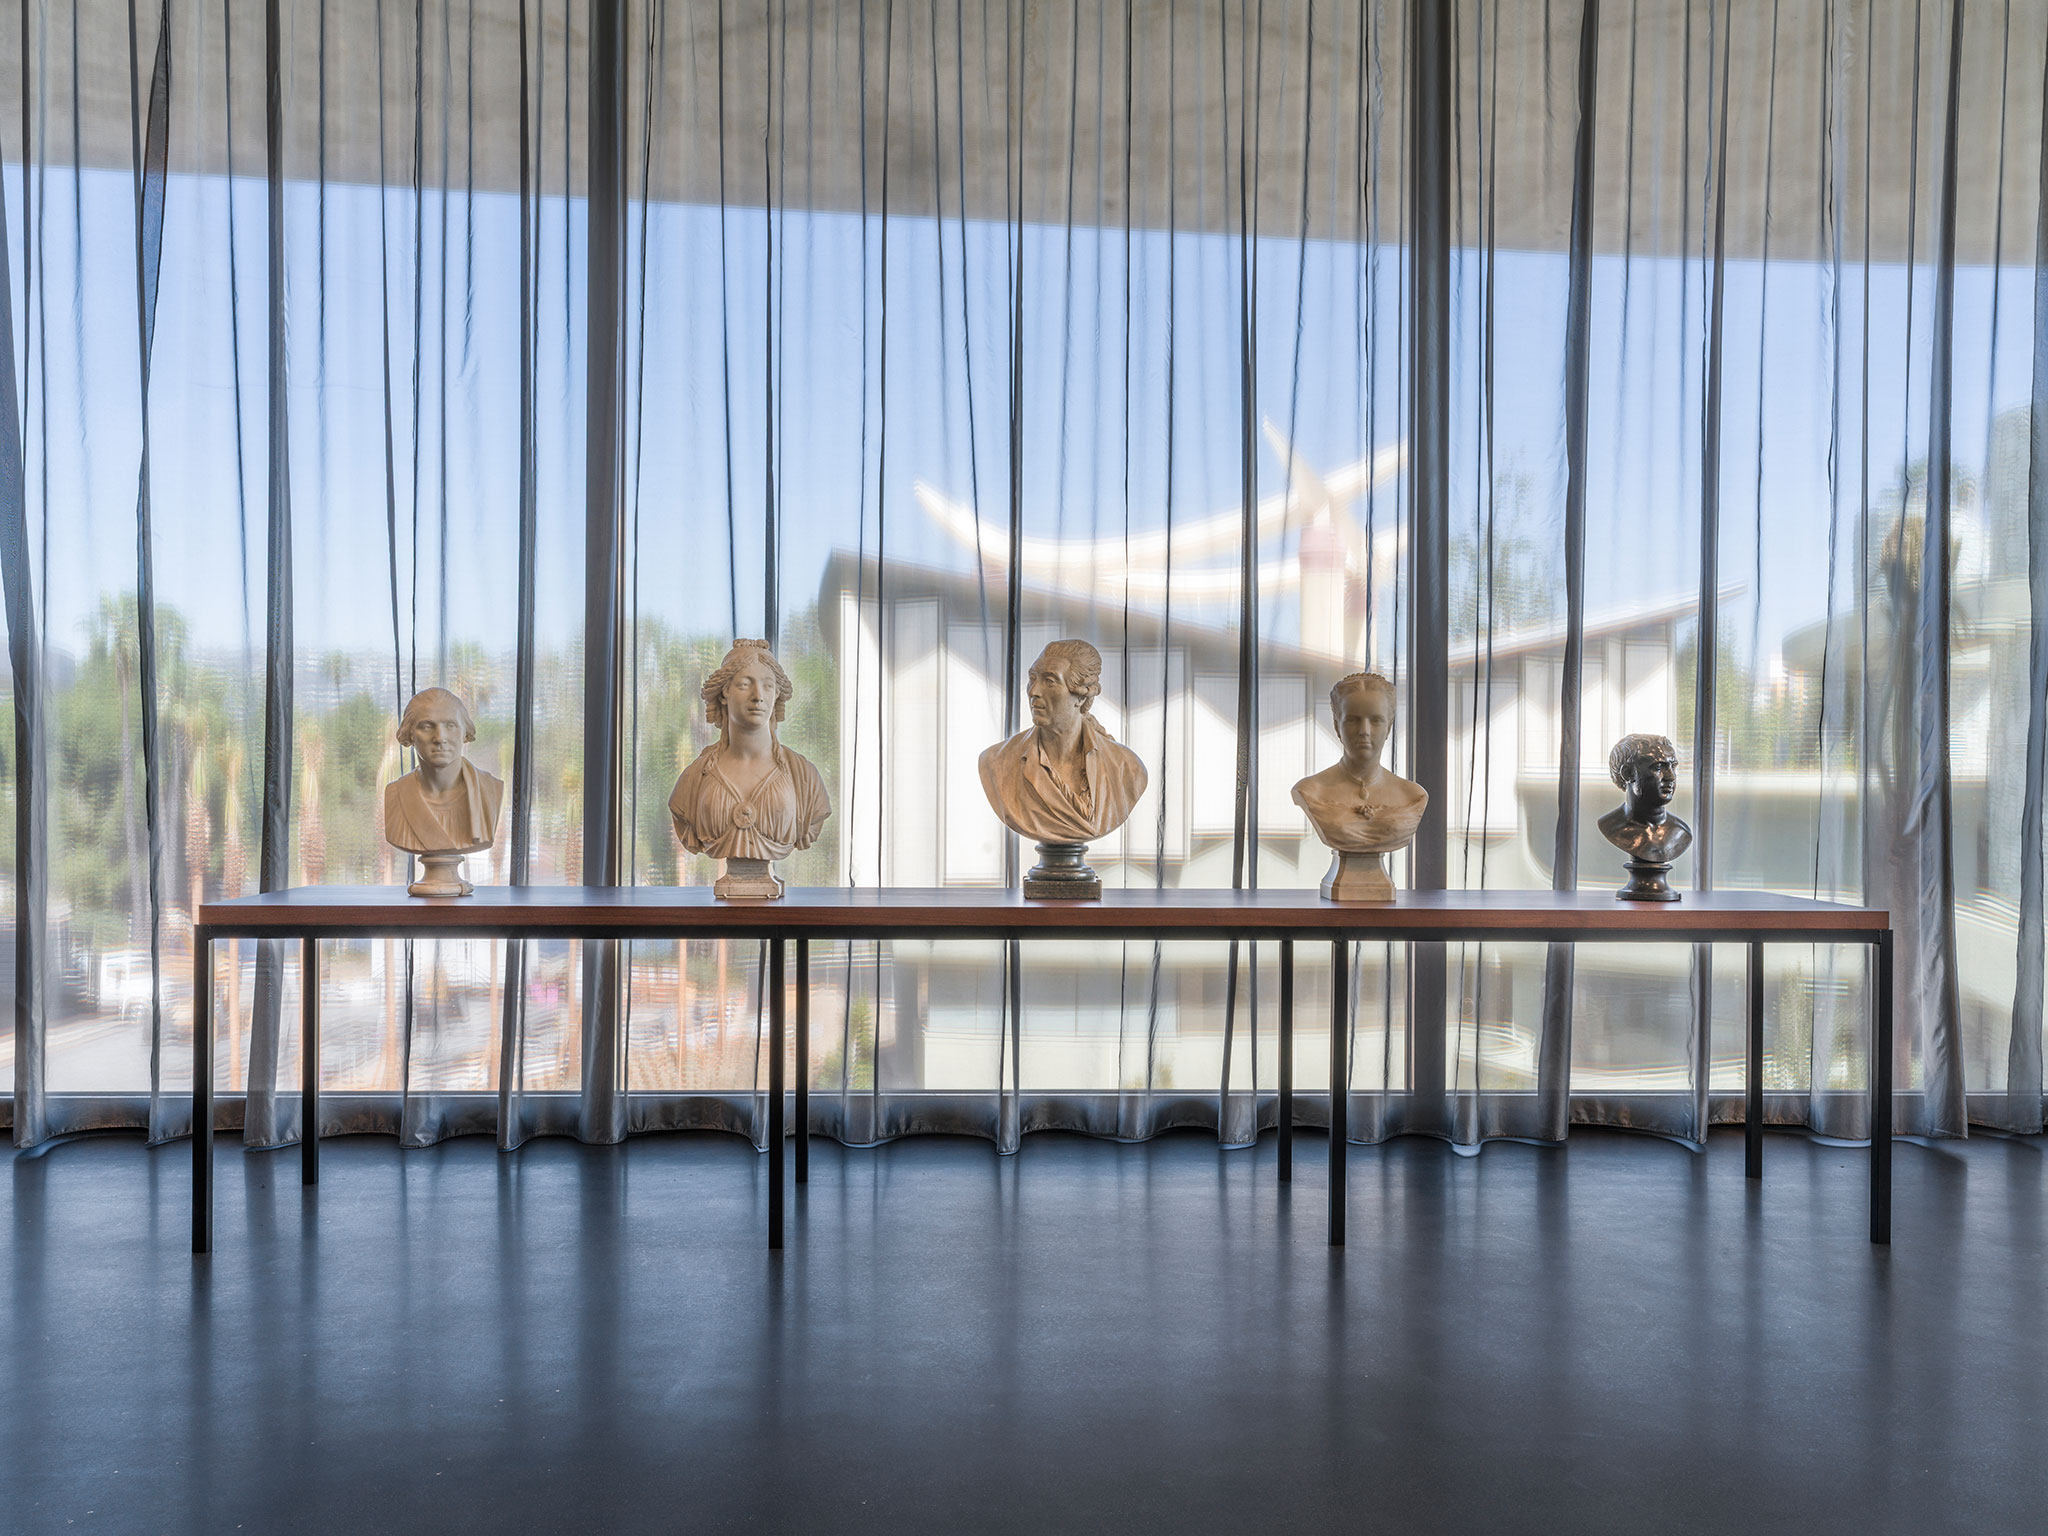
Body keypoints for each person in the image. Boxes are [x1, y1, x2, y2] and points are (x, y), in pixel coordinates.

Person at [670, 640, 830, 897]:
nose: (758, 696)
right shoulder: (695, 778)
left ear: (776, 694)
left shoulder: (804, 777)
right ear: (724, 692)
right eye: (744, 685)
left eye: (768, 686)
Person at [977, 639, 1148, 846]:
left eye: (1050, 681)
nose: (1033, 691)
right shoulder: (997, 762)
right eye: (1032, 678)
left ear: (1081, 696)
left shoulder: (1126, 767)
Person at [1291, 671, 1427, 901]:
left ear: (1389, 727)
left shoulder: (1413, 796)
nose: (1364, 731)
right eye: (1353, 720)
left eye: (1376, 720)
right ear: (1337, 726)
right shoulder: (1311, 791)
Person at [384, 687, 504, 857]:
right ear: (410, 734)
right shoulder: (395, 794)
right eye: (427, 727)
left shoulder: (490, 790)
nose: (440, 738)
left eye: (450, 726)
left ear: (465, 732)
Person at [1597, 732, 1692, 899]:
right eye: (1658, 768)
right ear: (1628, 773)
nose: (1671, 777)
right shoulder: (1611, 826)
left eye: (1673, 767)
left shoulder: (1680, 832)